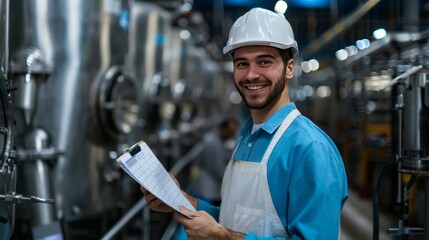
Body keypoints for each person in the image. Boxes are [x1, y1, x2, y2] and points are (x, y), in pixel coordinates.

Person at [141, 7, 348, 239]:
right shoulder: (247, 135)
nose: (251, 75)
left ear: (290, 68)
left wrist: (220, 237)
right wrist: (180, 200)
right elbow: (234, 219)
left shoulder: (309, 149)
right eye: (242, 64)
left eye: (264, 62)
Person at [188, 117, 239, 206]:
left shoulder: (219, 140)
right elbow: (218, 169)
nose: (233, 134)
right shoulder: (212, 142)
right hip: (208, 189)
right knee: (205, 212)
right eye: (231, 131)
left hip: (212, 188)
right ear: (223, 129)